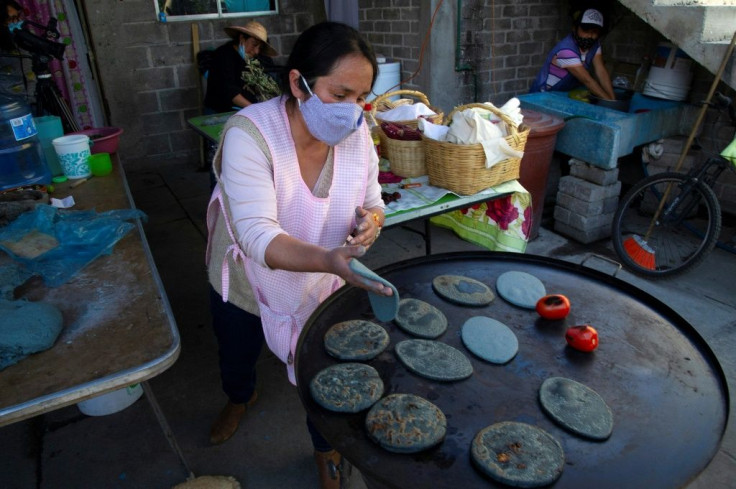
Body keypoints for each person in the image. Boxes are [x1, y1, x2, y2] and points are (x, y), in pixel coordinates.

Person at [204, 21, 389, 489]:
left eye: (362, 97)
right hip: (248, 276)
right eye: (341, 93)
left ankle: (326, 450)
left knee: (323, 372)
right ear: (297, 82)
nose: (353, 111)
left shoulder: (357, 132)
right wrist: (330, 259)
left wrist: (369, 222)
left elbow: (374, 202)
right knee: (238, 347)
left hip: (320, 276)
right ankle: (238, 396)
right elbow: (256, 236)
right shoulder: (250, 134)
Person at [529, 8, 615, 100]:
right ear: (575, 28)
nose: (590, 36)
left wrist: (613, 98)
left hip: (564, 94)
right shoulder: (566, 50)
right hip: (543, 96)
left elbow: (601, 70)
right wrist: (609, 102)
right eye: (586, 31)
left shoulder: (595, 45)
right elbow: (587, 80)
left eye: (594, 32)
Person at [202, 20, 279, 114]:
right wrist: (255, 110)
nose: (256, 51)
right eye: (254, 44)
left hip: (246, 110)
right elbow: (230, 91)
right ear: (242, 38)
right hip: (220, 112)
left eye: (260, 48)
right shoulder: (223, 55)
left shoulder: (257, 59)